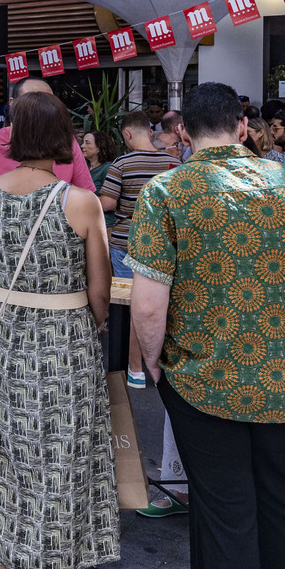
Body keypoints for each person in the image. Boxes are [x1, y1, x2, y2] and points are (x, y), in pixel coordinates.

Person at [128, 82, 285, 569]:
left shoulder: (166, 192)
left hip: (202, 378)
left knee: (226, 510)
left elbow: (149, 306)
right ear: (241, 128)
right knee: (280, 499)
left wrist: (152, 363)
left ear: (183, 134)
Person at [0, 90, 119, 569]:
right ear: (62, 139)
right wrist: (89, 321)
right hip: (65, 348)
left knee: (7, 460)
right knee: (60, 464)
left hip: (6, 339)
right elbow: (100, 292)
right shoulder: (81, 202)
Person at [99, 111, 179, 388]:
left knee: (134, 307)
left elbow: (107, 204)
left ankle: (135, 369)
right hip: (165, 245)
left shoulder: (122, 163)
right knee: (160, 305)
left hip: (127, 242)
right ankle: (158, 363)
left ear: (127, 135)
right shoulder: (173, 162)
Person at [0, 78, 95, 208]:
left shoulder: (66, 141)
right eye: (32, 101)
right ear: (12, 103)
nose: (41, 108)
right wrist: (8, 208)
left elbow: (85, 194)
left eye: (48, 101)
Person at [80, 130, 118, 226]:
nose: (82, 146)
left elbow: (110, 203)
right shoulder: (84, 167)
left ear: (99, 148)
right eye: (83, 142)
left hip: (104, 224)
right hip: (86, 223)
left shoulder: (108, 168)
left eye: (87, 143)